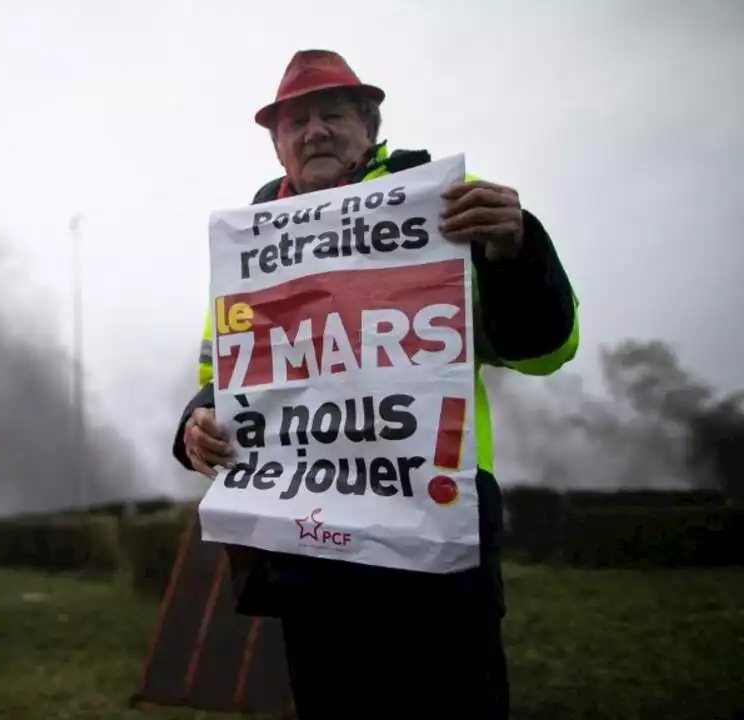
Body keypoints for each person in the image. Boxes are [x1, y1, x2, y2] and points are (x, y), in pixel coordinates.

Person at [171, 50, 579, 720]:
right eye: (294, 122)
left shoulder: (444, 203)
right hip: (307, 546)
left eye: (332, 114)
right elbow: (223, 377)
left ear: (369, 125)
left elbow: (543, 352)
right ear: (277, 146)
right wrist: (197, 427)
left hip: (433, 530)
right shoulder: (252, 240)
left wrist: (517, 248)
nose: (314, 132)